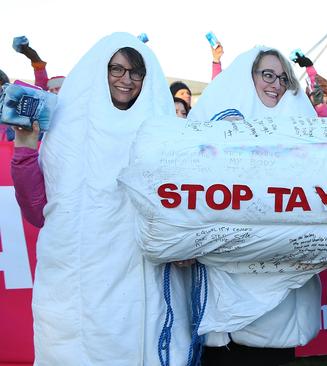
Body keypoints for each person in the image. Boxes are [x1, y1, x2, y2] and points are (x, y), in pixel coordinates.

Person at [11, 32, 192, 365]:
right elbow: (37, 210)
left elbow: (183, 210)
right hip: (78, 286)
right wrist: (24, 148)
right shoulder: (66, 131)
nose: (127, 79)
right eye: (117, 69)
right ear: (101, 70)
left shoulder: (166, 136)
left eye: (137, 72)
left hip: (142, 287)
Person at [188, 46, 320, 366]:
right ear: (250, 77)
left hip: (280, 287)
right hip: (228, 278)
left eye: (282, 77)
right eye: (267, 75)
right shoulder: (220, 126)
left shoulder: (302, 128)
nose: (275, 84)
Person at [292, 52, 327, 117]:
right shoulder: (302, 112)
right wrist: (309, 67)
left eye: (324, 95)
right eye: (315, 93)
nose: (320, 97)